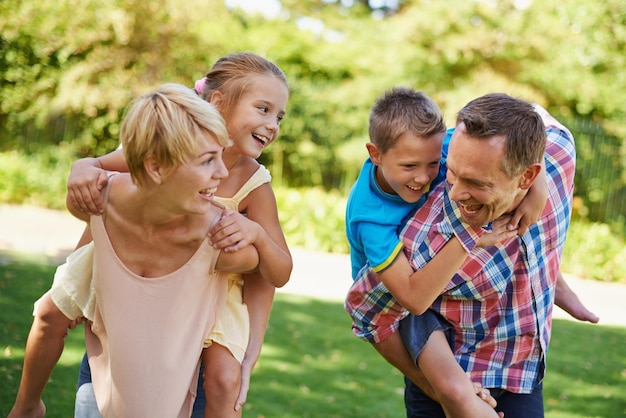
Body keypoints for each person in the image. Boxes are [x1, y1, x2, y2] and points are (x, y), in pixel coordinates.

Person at [8, 83, 265, 417]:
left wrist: (254, 234)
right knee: (47, 313)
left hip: (183, 290)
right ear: (156, 168)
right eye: (207, 161)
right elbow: (86, 213)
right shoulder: (100, 198)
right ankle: (27, 407)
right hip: (113, 262)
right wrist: (86, 166)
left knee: (191, 383)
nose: (222, 171)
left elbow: (263, 265)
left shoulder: (217, 230)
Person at [63, 52, 293, 417]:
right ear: (218, 102)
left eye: (279, 115)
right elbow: (101, 174)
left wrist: (255, 235)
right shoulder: (165, 149)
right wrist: (80, 167)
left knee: (222, 379)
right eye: (263, 109)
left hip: (213, 292)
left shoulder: (254, 183)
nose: (273, 124)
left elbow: (277, 271)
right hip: (150, 284)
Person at [386, 93, 595, 417]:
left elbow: (532, 112)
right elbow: (364, 308)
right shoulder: (432, 225)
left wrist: (538, 186)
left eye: (475, 182)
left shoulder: (559, 156)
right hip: (456, 379)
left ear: (526, 174)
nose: (454, 192)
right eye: (452, 171)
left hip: (522, 373)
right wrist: (452, 395)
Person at [344, 87, 548, 417]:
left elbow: (519, 142)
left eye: (435, 164)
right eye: (410, 166)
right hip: (400, 302)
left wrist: (537, 187)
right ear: (375, 153)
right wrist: (471, 236)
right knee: (451, 389)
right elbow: (413, 298)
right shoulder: (370, 218)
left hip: (444, 287)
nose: (425, 178)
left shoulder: (444, 145)